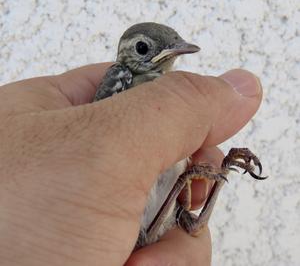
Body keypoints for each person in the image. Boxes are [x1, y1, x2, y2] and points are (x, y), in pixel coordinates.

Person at [0, 63, 262, 265]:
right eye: (142, 48)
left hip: (146, 223)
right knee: (182, 223)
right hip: (141, 229)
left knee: (187, 222)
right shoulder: (119, 90)